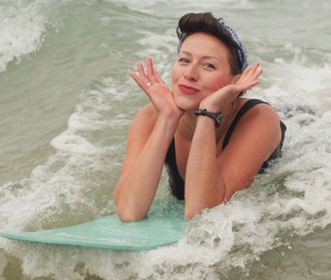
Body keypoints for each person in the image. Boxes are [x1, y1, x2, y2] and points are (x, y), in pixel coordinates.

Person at [113, 13, 287, 222]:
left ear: (235, 82)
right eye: (184, 60)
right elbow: (129, 212)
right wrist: (168, 119)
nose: (190, 73)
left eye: (208, 65)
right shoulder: (151, 117)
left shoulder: (259, 118)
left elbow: (201, 214)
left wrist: (208, 113)